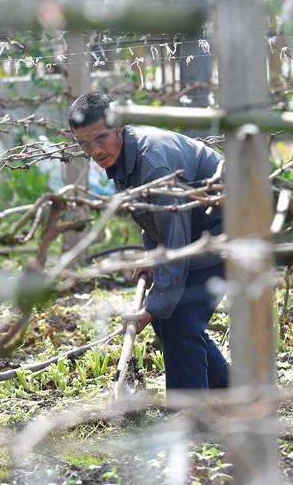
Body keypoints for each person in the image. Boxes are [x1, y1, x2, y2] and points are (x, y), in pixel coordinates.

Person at [68, 92, 229, 390]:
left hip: (231, 226)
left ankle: (189, 416)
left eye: (101, 138)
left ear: (119, 127)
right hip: (197, 226)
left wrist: (152, 307)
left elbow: (176, 241)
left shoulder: (154, 163)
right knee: (174, 318)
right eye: (84, 144)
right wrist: (151, 256)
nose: (95, 151)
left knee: (179, 319)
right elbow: (154, 219)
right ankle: (226, 386)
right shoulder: (123, 155)